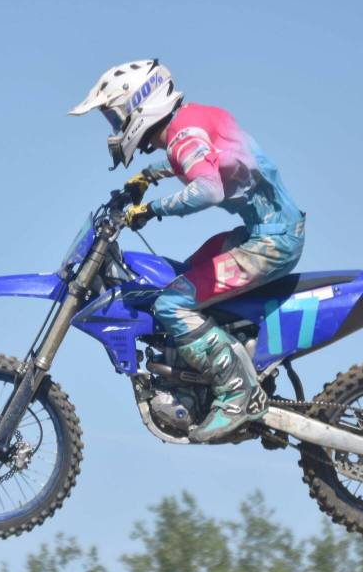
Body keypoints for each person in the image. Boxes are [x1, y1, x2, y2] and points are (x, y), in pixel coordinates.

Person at [70, 59, 306, 442]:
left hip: (269, 242)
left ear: (139, 103)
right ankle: (214, 370)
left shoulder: (183, 134)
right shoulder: (190, 123)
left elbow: (208, 188)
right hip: (266, 231)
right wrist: (150, 176)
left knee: (171, 304)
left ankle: (236, 392)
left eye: (116, 118)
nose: (117, 130)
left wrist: (153, 209)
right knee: (183, 273)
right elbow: (201, 155)